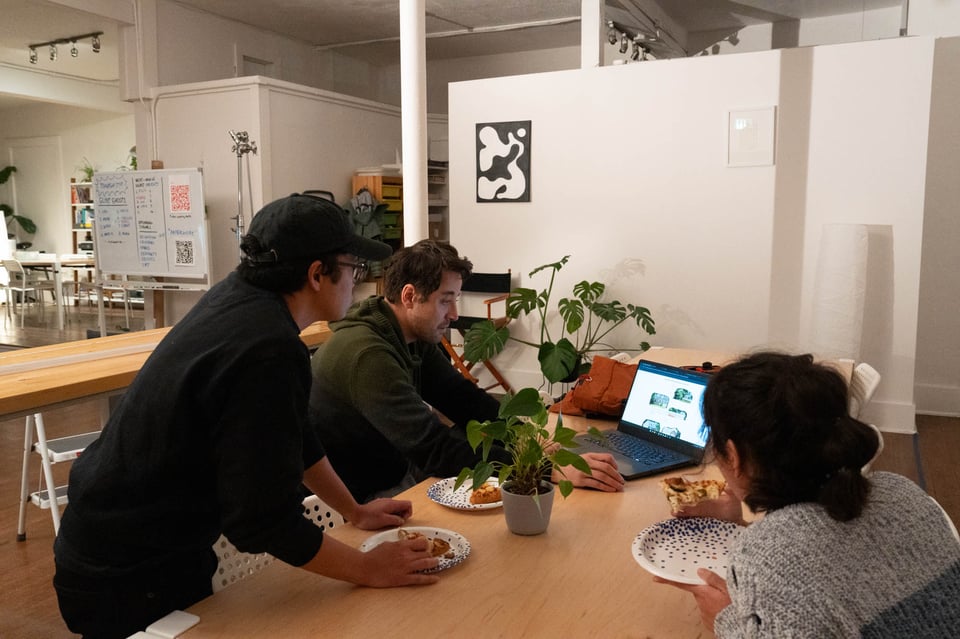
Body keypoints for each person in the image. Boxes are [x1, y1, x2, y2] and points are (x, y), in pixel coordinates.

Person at [54, 194, 443, 639]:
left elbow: (293, 435)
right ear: (317, 274)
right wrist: (367, 568)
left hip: (121, 541)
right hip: (127, 568)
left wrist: (354, 512)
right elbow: (261, 520)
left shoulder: (242, 298)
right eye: (353, 268)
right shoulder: (269, 349)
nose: (358, 281)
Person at [654, 351, 960, 637]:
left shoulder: (765, 559)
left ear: (732, 455)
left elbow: (798, 563)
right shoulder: (901, 489)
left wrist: (727, 622)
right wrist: (740, 520)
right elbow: (835, 563)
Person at [309, 239, 624, 503]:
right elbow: (433, 449)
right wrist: (546, 469)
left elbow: (464, 400)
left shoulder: (408, 335)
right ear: (409, 297)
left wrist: (529, 442)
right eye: (446, 301)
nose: (455, 315)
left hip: (393, 470)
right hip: (358, 497)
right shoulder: (367, 354)